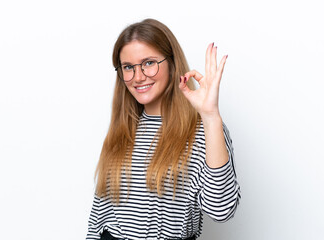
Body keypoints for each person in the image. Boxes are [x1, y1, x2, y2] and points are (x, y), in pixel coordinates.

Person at [86, 18, 241, 240]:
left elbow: (222, 210)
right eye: (128, 67)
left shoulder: (203, 130)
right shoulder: (123, 129)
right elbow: (99, 217)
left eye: (149, 62)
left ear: (172, 63)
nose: (138, 77)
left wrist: (211, 117)